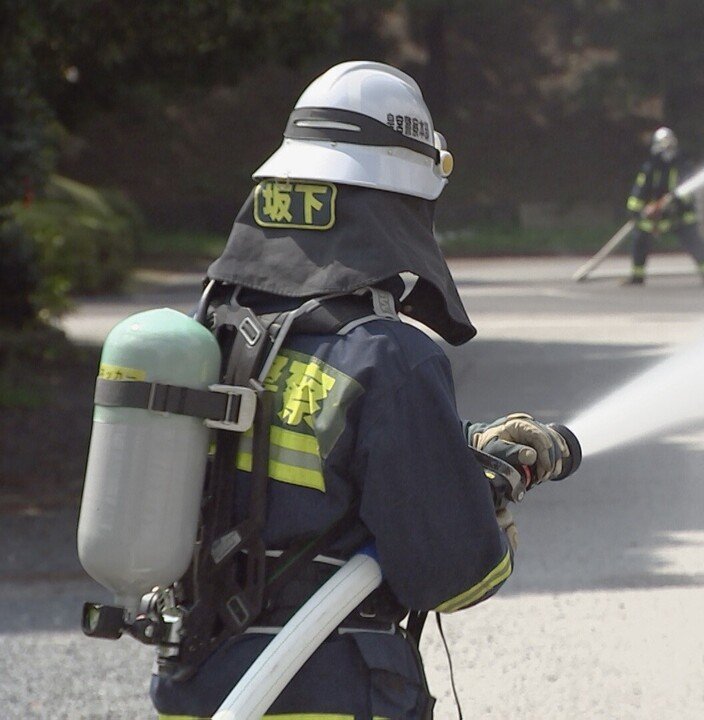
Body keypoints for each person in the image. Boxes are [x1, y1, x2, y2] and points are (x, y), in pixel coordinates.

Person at [149, 61, 570, 719]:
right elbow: (454, 575)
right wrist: (488, 521)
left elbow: (296, 457)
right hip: (329, 693)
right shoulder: (390, 355)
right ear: (399, 201)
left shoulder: (212, 330)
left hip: (200, 684)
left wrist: (462, 449)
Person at [622, 126, 704, 286]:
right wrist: (638, 211)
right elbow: (640, 190)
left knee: (693, 240)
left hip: (680, 214)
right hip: (654, 215)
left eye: (669, 147)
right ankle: (638, 275)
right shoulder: (650, 167)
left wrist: (673, 202)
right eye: (663, 147)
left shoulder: (683, 165)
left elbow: (687, 190)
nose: (666, 151)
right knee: (640, 239)